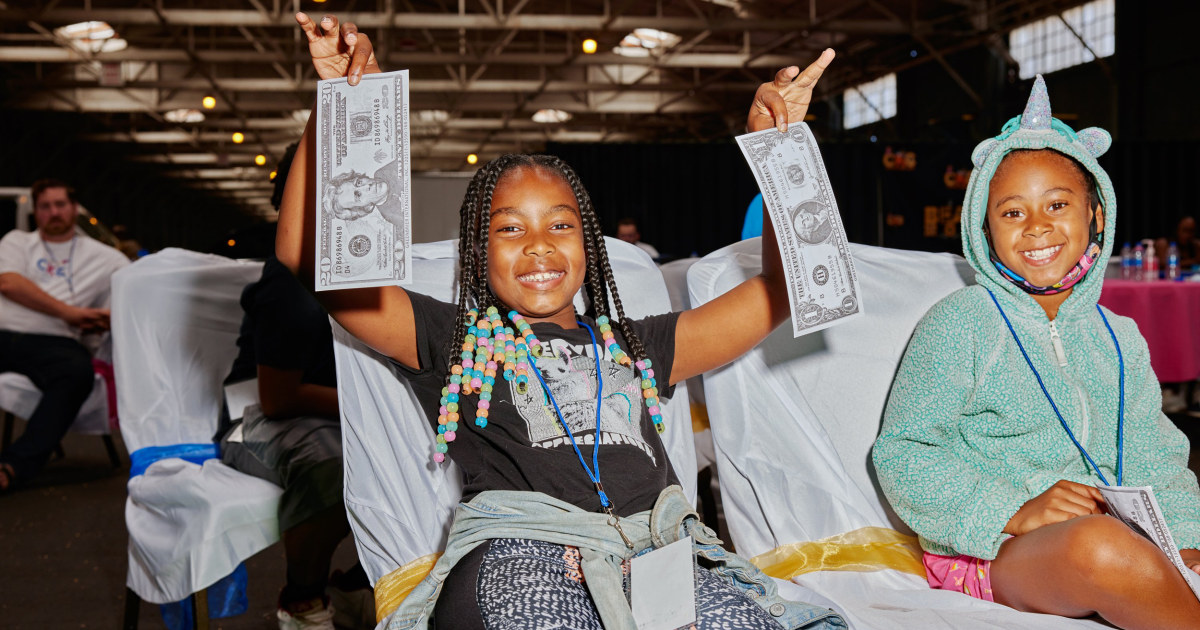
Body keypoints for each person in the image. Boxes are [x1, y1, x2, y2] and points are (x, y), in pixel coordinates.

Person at [277, 13, 843, 630]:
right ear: (477, 252)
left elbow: (783, 292)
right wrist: (338, 107)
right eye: (511, 228)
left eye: (561, 225)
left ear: (588, 246)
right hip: (523, 557)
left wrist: (780, 152)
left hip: (661, 560)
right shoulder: (456, 340)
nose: (540, 244)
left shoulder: (641, 344)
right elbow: (307, 260)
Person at [872, 77, 1200, 629]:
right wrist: (1013, 510)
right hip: (990, 549)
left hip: (1120, 535)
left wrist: (1185, 543)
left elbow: (1154, 452)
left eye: (1057, 204)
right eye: (1013, 213)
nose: (1038, 227)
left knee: (1117, 544)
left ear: (1096, 214)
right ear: (985, 230)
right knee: (1097, 547)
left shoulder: (1120, 336)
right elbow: (905, 451)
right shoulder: (962, 323)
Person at [216, 144, 372, 629]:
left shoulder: (365, 263)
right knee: (338, 464)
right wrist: (367, 410)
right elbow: (278, 399)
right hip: (260, 416)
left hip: (336, 407)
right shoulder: (289, 281)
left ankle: (357, 585)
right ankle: (302, 599)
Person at [0, 179, 128, 491]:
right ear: (35, 212)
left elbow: (128, 301)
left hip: (54, 343)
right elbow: (8, 283)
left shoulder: (106, 258)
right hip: (3, 331)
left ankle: (13, 466)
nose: (53, 212)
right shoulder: (17, 242)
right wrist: (70, 313)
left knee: (77, 373)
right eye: (45, 206)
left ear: (74, 209)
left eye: (60, 204)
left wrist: (100, 320)